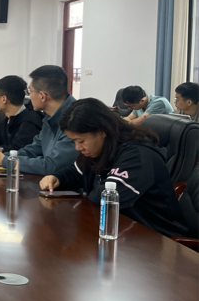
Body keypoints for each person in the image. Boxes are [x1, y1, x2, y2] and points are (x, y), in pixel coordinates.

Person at [40, 98, 189, 238]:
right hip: (123, 230)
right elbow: (76, 172)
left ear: (102, 131)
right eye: (74, 141)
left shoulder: (137, 155)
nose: (77, 147)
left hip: (157, 238)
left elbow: (106, 198)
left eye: (81, 141)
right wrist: (57, 178)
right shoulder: (102, 147)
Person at [0, 65, 78, 175]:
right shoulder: (49, 117)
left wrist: (5, 161)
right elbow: (33, 150)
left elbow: (52, 166)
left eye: (30, 91)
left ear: (42, 96)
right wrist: (3, 155)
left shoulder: (74, 119)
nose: (28, 96)